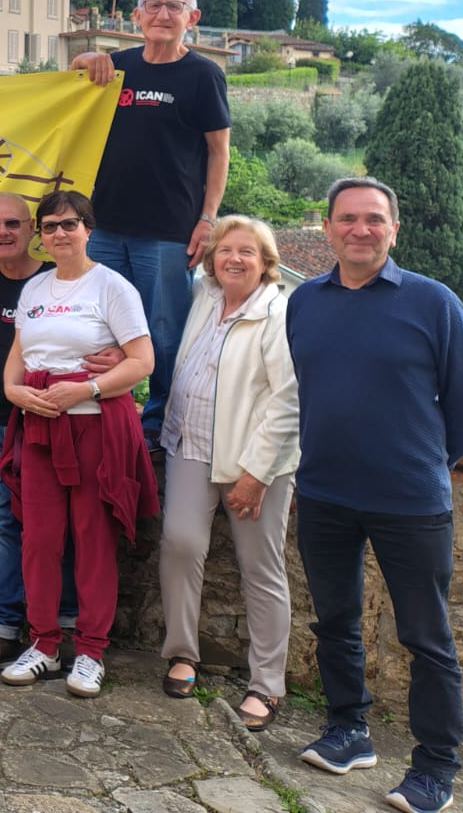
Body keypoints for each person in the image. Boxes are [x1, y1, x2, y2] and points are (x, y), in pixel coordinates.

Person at [286, 178, 463, 813]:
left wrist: (423, 462)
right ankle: (349, 731)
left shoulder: (434, 302)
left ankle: (435, 769)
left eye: (374, 219)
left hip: (411, 502)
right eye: (347, 218)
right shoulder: (305, 302)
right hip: (323, 492)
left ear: (393, 229)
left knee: (427, 637)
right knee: (335, 621)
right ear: (327, 228)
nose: (360, 230)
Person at [0, 194, 122, 677]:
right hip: (3, 423)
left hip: (70, 423)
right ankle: (2, 631)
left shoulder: (79, 284)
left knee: (73, 531)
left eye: (13, 224)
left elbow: (132, 349)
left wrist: (108, 367)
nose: (2, 233)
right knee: (6, 525)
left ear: (31, 230)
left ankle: (65, 633)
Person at [0, 190, 157, 697]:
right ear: (40, 236)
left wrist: (85, 389)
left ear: (89, 228)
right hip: (41, 426)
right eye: (49, 226)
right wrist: (14, 391)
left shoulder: (112, 287)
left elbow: (142, 361)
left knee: (93, 539)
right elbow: (18, 355)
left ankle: (90, 650)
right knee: (39, 538)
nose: (59, 234)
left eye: (69, 224)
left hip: (94, 426)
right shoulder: (35, 289)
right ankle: (43, 642)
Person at [70, 0, 230, 445]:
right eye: (153, 6)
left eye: (174, 7)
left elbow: (219, 152)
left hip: (167, 230)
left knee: (163, 333)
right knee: (94, 323)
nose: (163, 15)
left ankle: (160, 421)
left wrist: (207, 218)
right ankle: (101, 407)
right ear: (136, 17)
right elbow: (70, 80)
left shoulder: (203, 76)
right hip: (103, 227)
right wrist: (84, 58)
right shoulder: (116, 67)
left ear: (192, 19)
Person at [157, 215, 299, 732]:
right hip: (190, 446)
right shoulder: (204, 299)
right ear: (212, 258)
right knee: (179, 543)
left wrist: (256, 474)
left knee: (260, 567)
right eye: (225, 250)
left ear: (266, 264)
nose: (234, 259)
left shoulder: (278, 313)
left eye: (247, 252)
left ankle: (267, 684)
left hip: (252, 461)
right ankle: (182, 653)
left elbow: (288, 401)